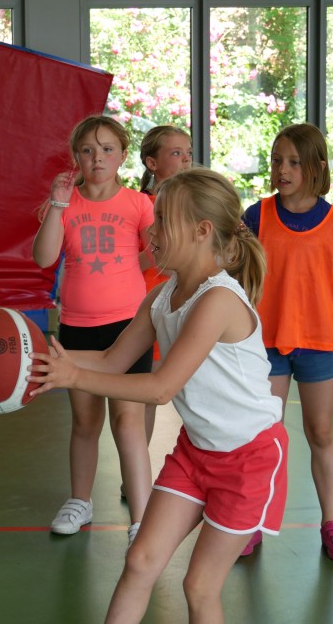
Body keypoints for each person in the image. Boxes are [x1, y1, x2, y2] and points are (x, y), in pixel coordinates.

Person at [28, 168, 288, 624]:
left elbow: (161, 387)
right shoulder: (161, 297)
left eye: (164, 219)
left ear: (201, 231)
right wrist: (47, 358)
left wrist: (71, 377)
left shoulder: (218, 300)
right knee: (141, 562)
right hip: (197, 454)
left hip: (248, 459)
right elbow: (111, 360)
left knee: (199, 586)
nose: (152, 229)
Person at [242, 122, 333, 561]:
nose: (282, 169)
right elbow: (238, 274)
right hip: (267, 345)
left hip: (321, 344)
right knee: (264, 436)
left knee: (320, 432)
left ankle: (332, 523)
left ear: (316, 167)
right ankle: (251, 521)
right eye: (277, 160)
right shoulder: (257, 216)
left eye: (293, 161)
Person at [32, 115, 154, 546]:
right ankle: (80, 501)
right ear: (76, 157)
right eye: (87, 150)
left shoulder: (138, 204)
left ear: (123, 155)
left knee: (128, 421)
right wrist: (59, 205)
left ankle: (141, 516)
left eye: (106, 149)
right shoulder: (66, 205)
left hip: (129, 327)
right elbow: (44, 258)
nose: (97, 157)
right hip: (77, 328)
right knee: (85, 422)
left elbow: (160, 250)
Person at [138, 125, 192, 449]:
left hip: (189, 304)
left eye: (188, 154)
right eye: (176, 153)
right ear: (151, 163)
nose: (185, 160)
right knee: (147, 392)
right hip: (151, 308)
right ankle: (137, 472)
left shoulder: (193, 204)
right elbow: (148, 260)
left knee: (194, 387)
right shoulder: (142, 205)